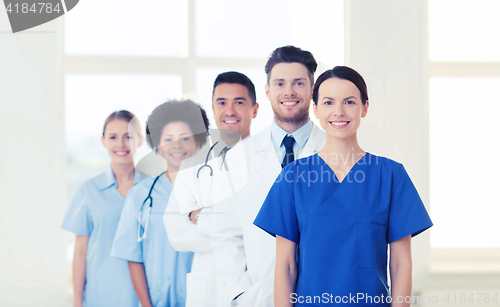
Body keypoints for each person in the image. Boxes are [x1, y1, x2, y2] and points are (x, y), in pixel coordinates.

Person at [254, 66, 433, 307]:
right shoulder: (293, 177)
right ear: (315, 109)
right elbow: (285, 265)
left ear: (365, 108)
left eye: (349, 102)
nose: (338, 112)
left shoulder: (390, 175)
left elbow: (401, 264)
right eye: (328, 102)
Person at [210, 45, 326, 306]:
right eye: (280, 83)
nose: (289, 92)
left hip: (324, 293)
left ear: (312, 89)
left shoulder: (334, 151)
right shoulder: (239, 157)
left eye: (298, 83)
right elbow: (225, 233)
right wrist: (241, 294)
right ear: (268, 91)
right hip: (259, 297)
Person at [163, 71, 259, 307]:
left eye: (239, 102)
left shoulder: (268, 162)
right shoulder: (192, 164)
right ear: (214, 109)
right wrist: (241, 233)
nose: (230, 111)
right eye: (222, 102)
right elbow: (176, 233)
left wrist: (200, 217)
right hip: (207, 291)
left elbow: (267, 233)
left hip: (255, 285)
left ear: (255, 109)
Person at [110, 100, 210, 307]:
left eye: (185, 138)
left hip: (204, 299)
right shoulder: (140, 195)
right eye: (168, 139)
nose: (177, 145)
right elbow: (133, 257)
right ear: (157, 144)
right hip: (155, 301)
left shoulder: (212, 193)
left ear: (197, 143)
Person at [61, 110, 144, 307]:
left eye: (128, 137)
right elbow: (80, 251)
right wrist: (77, 302)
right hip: (101, 296)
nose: (121, 144)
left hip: (144, 297)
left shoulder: (154, 189)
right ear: (103, 141)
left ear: (140, 140)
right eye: (113, 137)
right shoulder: (87, 191)